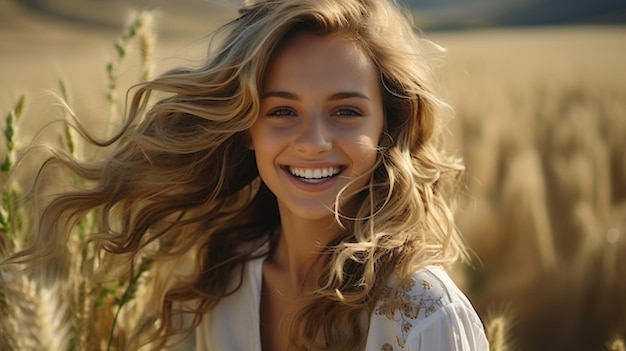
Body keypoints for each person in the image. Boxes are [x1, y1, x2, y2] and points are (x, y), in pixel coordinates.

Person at [4, 0, 489, 350]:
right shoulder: (223, 282)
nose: (314, 141)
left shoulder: (424, 316)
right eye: (281, 111)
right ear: (246, 129)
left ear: (389, 126)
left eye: (345, 111)